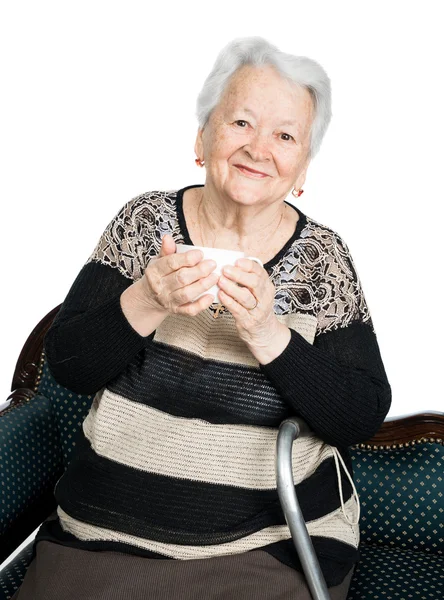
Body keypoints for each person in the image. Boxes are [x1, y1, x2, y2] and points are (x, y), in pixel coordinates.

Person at [12, 36, 392, 600]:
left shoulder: (323, 259)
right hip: (106, 534)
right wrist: (146, 300)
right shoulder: (144, 224)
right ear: (202, 137)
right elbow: (68, 364)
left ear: (301, 167)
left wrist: (271, 336)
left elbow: (360, 413)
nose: (259, 149)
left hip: (267, 540)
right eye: (240, 123)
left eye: (285, 136)